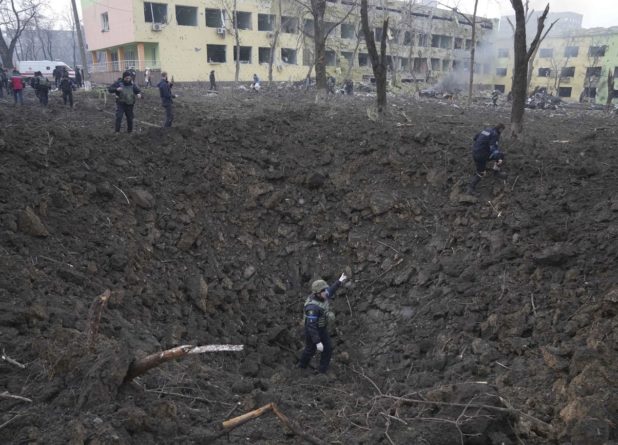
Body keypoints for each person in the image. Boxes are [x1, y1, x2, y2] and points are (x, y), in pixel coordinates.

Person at [299, 272, 348, 375]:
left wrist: (339, 281)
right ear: (317, 293)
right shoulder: (312, 307)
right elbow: (311, 326)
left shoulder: (323, 295)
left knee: (328, 349)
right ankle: (301, 367)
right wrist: (317, 341)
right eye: (323, 291)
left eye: (325, 290)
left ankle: (322, 371)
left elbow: (331, 290)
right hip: (312, 330)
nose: (326, 292)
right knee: (310, 350)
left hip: (322, 328)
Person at [466, 123, 507, 195]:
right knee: (481, 172)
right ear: (500, 129)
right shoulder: (495, 134)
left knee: (500, 155)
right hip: (482, 155)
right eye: (502, 131)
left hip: (475, 152)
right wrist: (499, 159)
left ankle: (496, 172)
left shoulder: (487, 130)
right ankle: (470, 188)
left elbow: (475, 138)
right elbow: (493, 148)